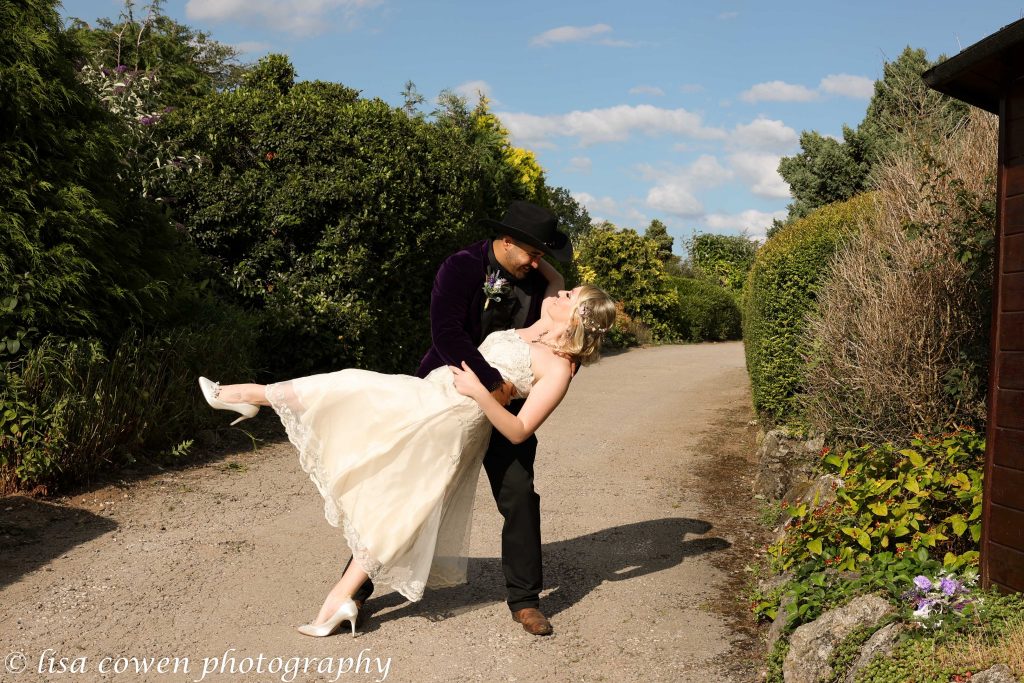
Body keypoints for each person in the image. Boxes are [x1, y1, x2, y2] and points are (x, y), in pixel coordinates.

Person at [198, 210, 614, 639]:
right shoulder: (465, 267)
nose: (539, 265)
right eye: (532, 252)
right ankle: (354, 594)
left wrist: (537, 252)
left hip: (491, 410)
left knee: (518, 496)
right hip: (451, 393)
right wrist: (488, 385)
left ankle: (525, 602)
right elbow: (446, 331)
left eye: (542, 258)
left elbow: (558, 308)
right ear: (506, 241)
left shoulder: (546, 303)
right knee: (396, 478)